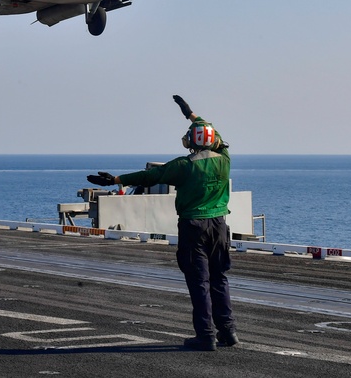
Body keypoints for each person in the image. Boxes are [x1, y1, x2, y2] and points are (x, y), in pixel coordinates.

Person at [87, 95, 238, 352]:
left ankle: (205, 336)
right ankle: (228, 331)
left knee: (199, 282)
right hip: (219, 226)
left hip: (194, 227)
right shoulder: (224, 159)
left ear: (191, 141)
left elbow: (149, 176)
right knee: (219, 278)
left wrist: (115, 179)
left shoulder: (183, 166)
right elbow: (214, 135)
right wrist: (191, 114)